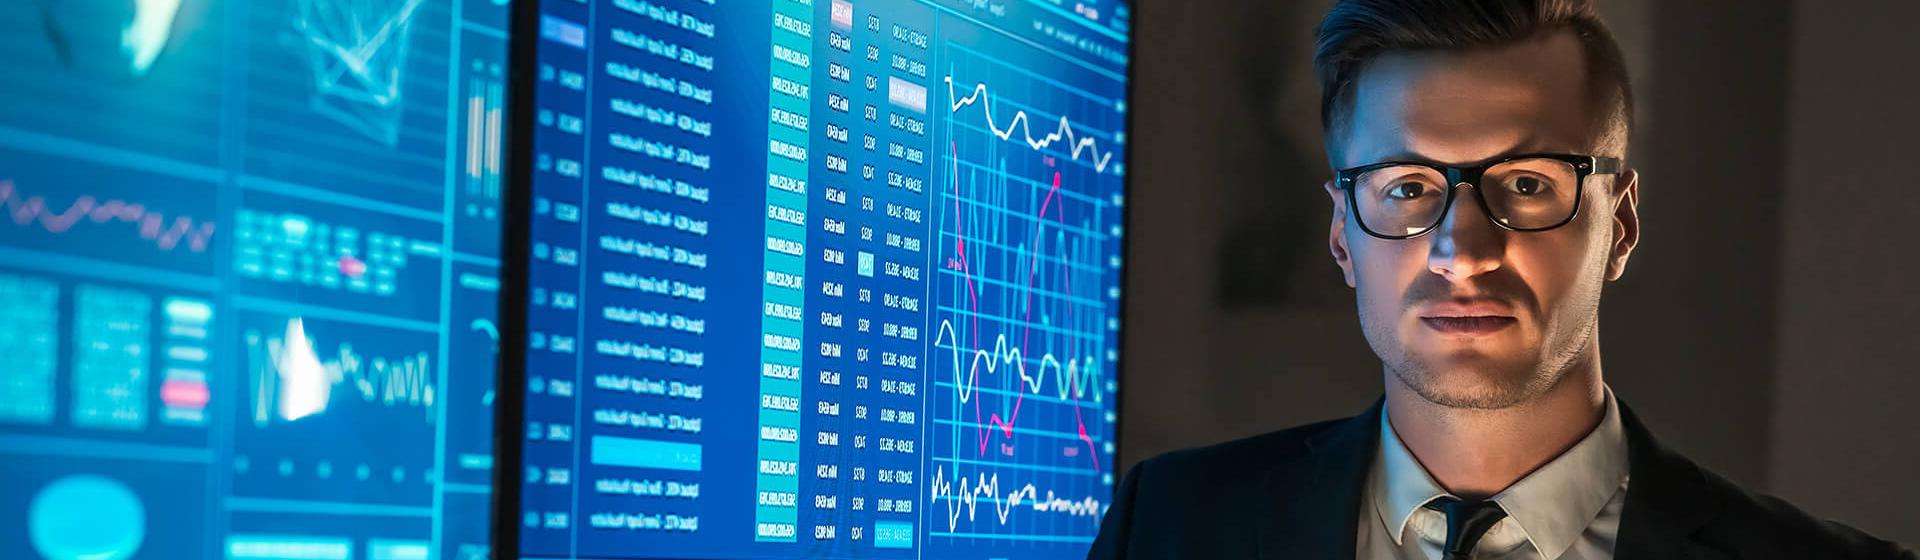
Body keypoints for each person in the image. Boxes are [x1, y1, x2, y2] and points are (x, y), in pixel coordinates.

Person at [1086, 0, 1916, 558]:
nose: (1463, 249)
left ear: (1619, 223)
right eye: (1407, 188)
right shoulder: (1168, 527)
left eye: (1525, 183)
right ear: (1343, 234)